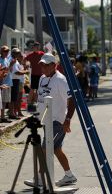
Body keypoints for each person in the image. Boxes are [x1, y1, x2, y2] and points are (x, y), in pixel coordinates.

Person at [24, 53, 77, 187]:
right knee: (56, 149)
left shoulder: (61, 80)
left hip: (57, 121)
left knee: (44, 149)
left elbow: (72, 100)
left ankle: (40, 178)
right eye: (42, 65)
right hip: (46, 120)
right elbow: (41, 98)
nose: (43, 68)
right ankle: (69, 175)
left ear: (54, 65)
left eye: (46, 65)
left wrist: (68, 119)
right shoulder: (42, 78)